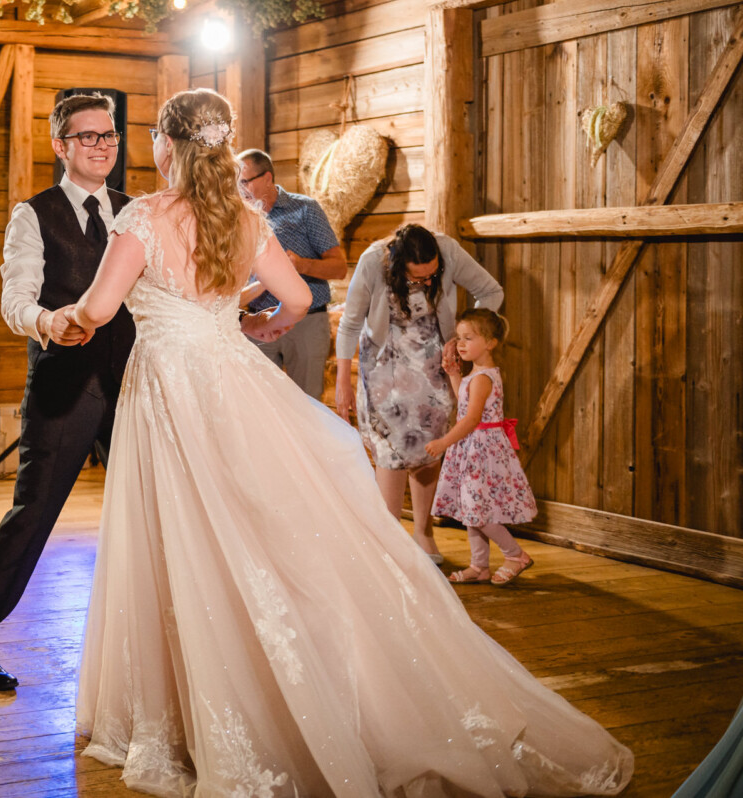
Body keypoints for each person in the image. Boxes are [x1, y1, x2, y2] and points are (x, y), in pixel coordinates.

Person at [69, 88, 632, 797]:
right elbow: (301, 301)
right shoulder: (244, 216)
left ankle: (188, 707)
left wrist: (51, 320)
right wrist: (255, 325)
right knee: (257, 527)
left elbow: (97, 309)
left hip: (169, 390)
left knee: (179, 534)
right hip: (232, 378)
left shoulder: (143, 216)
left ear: (166, 144)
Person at [0, 93, 133, 692]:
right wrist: (46, 322)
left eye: (109, 136)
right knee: (33, 514)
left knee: (151, 511)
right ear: (60, 145)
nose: (103, 146)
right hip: (65, 385)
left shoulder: (135, 213)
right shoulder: (33, 214)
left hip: (135, 385)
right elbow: (14, 299)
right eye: (89, 137)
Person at [335, 223, 503, 564]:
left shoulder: (448, 250)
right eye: (417, 278)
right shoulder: (372, 262)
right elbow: (350, 323)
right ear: (398, 267)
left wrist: (462, 337)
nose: (427, 283)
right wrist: (342, 381)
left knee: (429, 444)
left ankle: (423, 533)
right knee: (391, 449)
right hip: (384, 365)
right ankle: (390, 537)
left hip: (433, 363)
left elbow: (491, 291)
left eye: (432, 276)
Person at [425, 309, 537, 585]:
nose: (461, 343)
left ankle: (514, 554)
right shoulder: (476, 375)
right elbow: (464, 399)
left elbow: (472, 418)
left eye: (469, 338)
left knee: (477, 510)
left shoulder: (485, 378)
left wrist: (444, 442)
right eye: (459, 337)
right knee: (470, 509)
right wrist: (454, 375)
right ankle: (479, 565)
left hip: (481, 450)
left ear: (490, 343)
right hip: (471, 448)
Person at [236, 148, 348, 398]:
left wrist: (298, 265)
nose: (239, 188)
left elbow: (339, 268)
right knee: (260, 404)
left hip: (305, 323)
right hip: (256, 321)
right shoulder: (237, 217)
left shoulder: (305, 209)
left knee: (308, 404)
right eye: (236, 182)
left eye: (245, 181)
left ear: (267, 178)